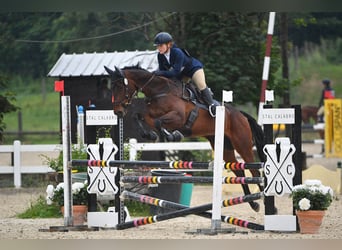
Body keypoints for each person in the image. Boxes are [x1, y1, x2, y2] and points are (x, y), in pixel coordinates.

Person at [152, 32, 217, 117]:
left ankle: (212, 106)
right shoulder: (160, 56)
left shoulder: (177, 52)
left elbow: (174, 72)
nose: (158, 48)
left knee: (201, 85)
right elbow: (163, 71)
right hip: (182, 73)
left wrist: (159, 73)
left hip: (193, 69)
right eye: (157, 46)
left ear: (168, 45)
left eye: (160, 46)